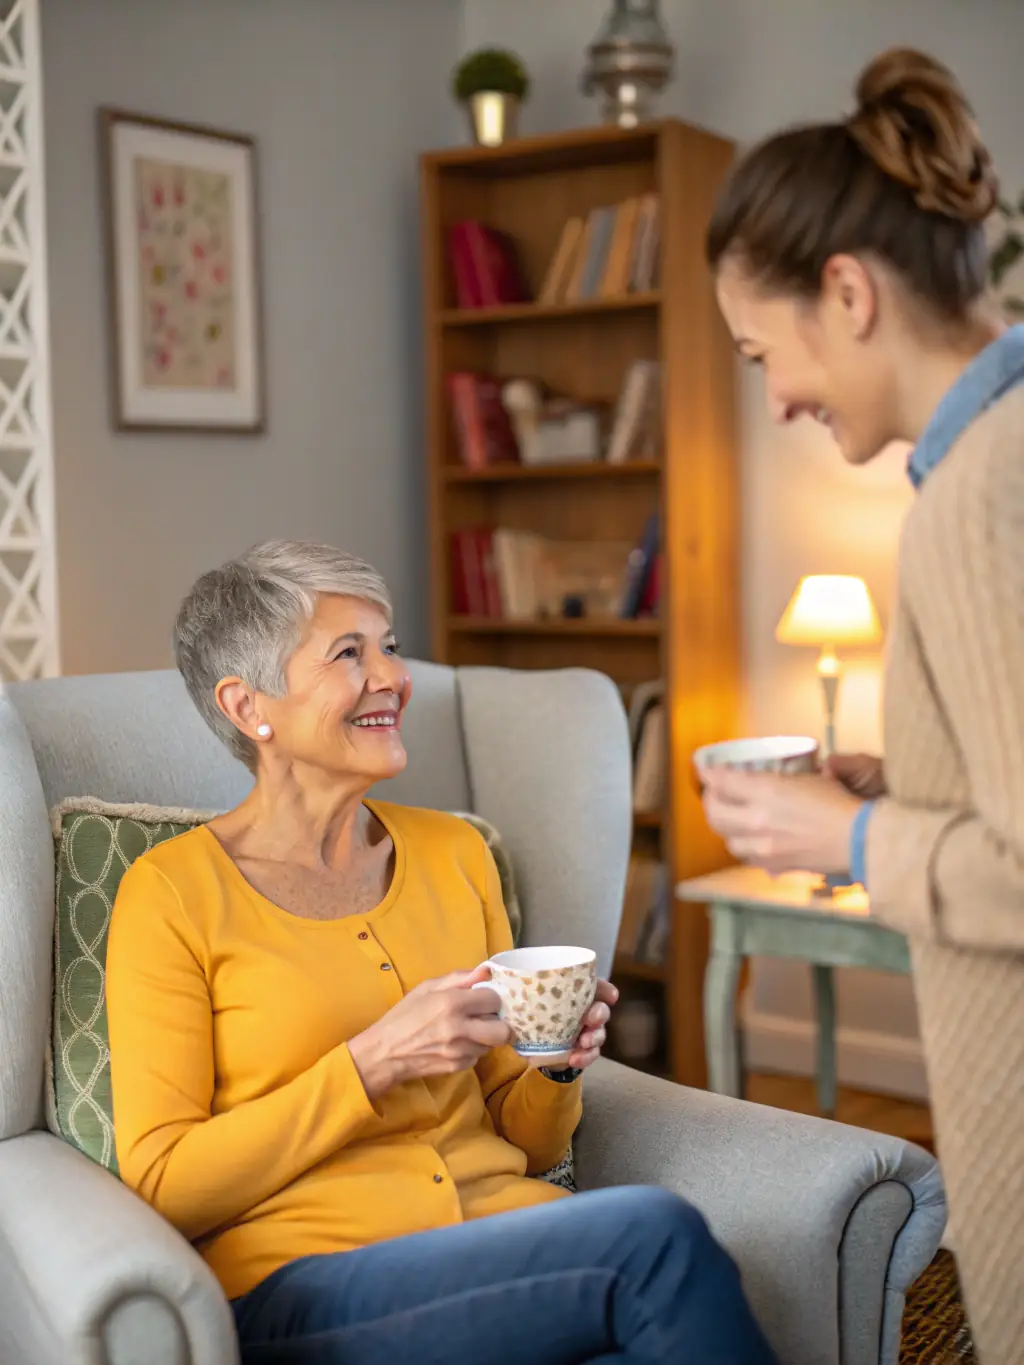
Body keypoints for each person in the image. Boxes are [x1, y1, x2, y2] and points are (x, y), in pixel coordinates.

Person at [106, 539, 776, 1365]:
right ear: (249, 707)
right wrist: (372, 1060)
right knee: (655, 1234)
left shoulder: (455, 853)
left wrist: (555, 1064)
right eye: (349, 653)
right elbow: (163, 1182)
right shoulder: (171, 893)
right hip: (308, 1283)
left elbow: (526, 1144)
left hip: (505, 1243)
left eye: (388, 645)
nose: (392, 675)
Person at [698, 46, 1024, 1362]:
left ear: (847, 292)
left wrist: (841, 842)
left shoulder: (978, 500)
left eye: (764, 351)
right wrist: (907, 785)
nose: (776, 396)